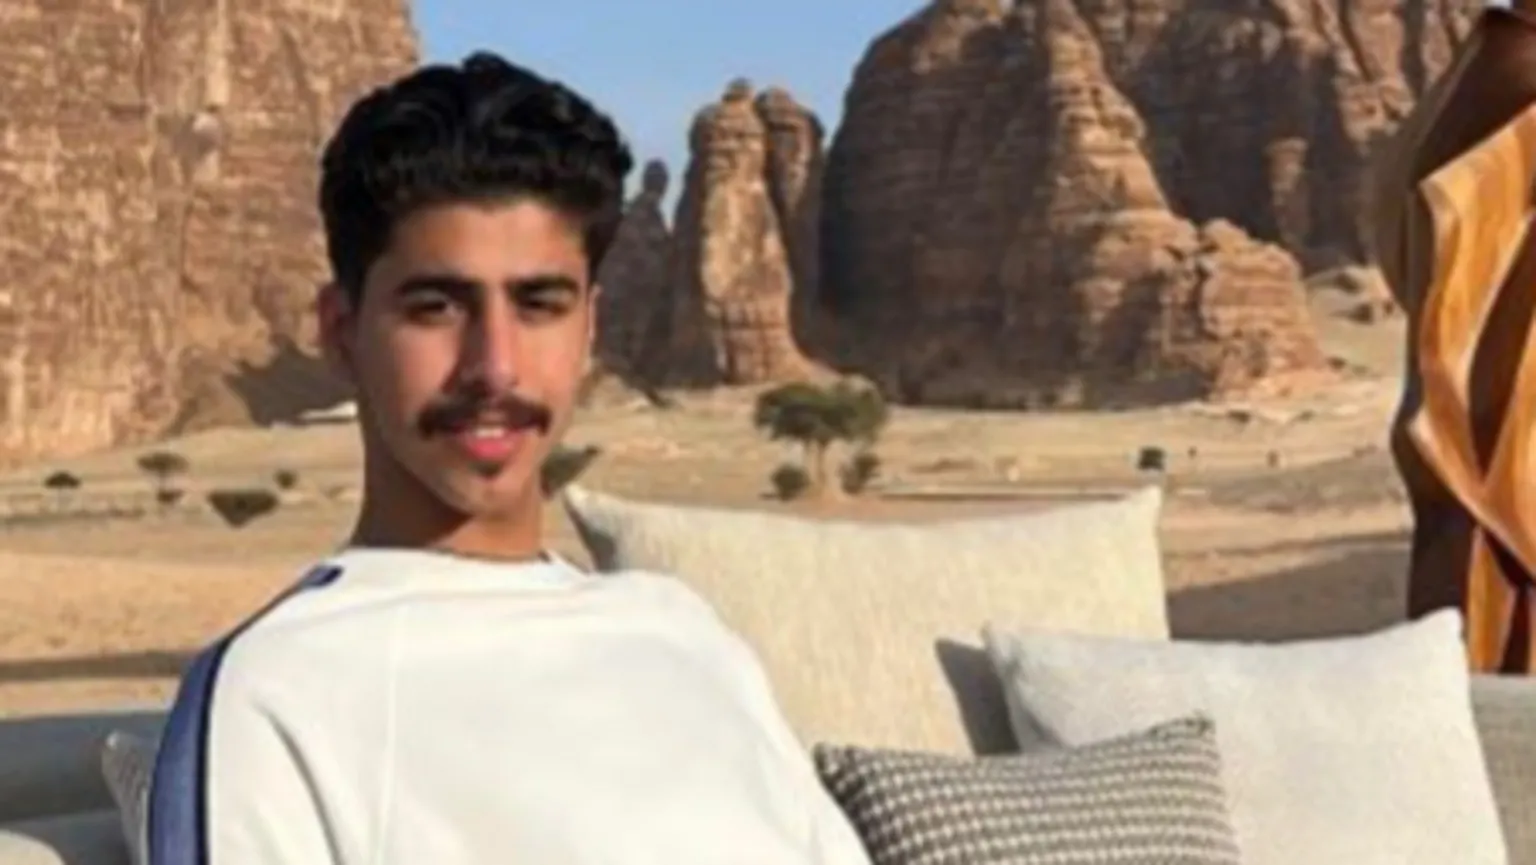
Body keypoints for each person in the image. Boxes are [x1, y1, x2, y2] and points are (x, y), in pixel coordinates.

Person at [145, 52, 872, 865]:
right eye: (436, 306)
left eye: (539, 305)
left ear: (590, 327)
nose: (494, 366)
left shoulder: (687, 633)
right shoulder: (276, 687)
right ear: (342, 333)